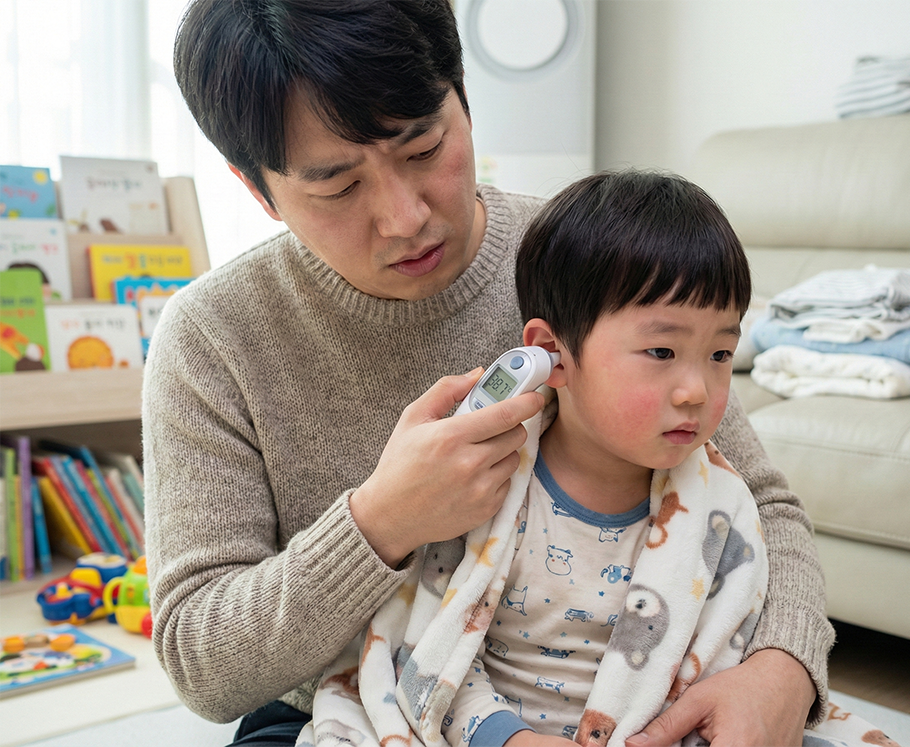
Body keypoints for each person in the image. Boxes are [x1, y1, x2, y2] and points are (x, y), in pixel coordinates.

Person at [146, 1, 833, 745]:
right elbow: (202, 662)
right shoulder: (211, 336)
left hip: (626, 691)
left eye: (422, 147)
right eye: (338, 186)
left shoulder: (591, 264)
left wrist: (782, 667)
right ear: (258, 189)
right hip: (347, 702)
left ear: (463, 97)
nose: (406, 216)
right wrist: (382, 521)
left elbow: (761, 504)